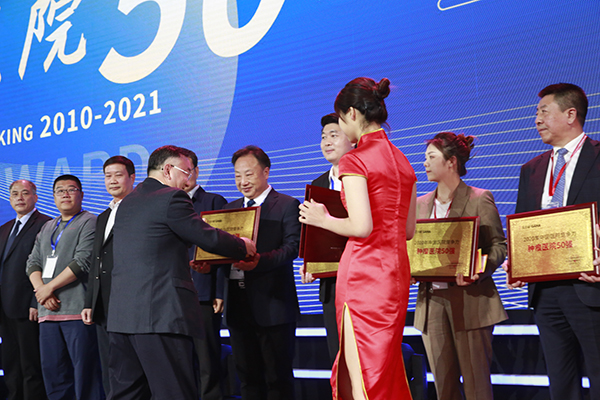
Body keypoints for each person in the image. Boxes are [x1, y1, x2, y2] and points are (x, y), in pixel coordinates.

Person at [106, 145, 256, 400]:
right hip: (160, 315)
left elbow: (154, 248)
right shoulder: (171, 197)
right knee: (174, 392)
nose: (188, 180)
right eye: (186, 172)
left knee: (127, 394)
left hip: (122, 318)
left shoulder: (127, 202)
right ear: (167, 169)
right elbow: (206, 236)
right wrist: (243, 245)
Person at [299, 77, 417, 400]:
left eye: (340, 119)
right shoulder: (403, 161)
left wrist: (322, 219)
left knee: (362, 374)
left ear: (351, 113)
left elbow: (362, 227)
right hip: (395, 276)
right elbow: (408, 230)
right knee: (384, 371)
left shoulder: (355, 159)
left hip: (363, 275)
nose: (340, 126)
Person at [505, 83, 600, 399]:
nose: (537, 119)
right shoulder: (530, 170)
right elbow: (523, 225)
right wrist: (517, 262)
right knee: (560, 382)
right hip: (545, 293)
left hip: (590, 287)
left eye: (544, 112)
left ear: (571, 114)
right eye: (537, 113)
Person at [413, 132, 507, 400]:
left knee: (477, 386)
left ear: (451, 161)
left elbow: (498, 246)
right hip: (431, 302)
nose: (425, 163)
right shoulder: (419, 205)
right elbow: (412, 248)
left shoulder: (479, 198)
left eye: (431, 157)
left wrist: (478, 268)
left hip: (471, 300)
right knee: (444, 387)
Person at [222, 145, 301, 400]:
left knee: (278, 378)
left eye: (249, 174)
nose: (243, 181)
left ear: (266, 172)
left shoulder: (287, 205)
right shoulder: (229, 210)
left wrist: (259, 262)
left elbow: (292, 247)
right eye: (237, 175)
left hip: (273, 305)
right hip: (238, 304)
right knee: (247, 378)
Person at [26, 174, 104, 400]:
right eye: (60, 191)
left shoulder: (90, 221)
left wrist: (48, 289)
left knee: (85, 374)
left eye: (71, 189)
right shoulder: (47, 226)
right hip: (47, 313)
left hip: (77, 312)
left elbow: (83, 261)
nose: (65, 194)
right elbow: (32, 263)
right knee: (54, 374)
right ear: (53, 197)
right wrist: (42, 291)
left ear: (81, 194)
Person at [299, 113, 353, 364]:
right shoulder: (318, 184)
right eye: (323, 137)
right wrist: (310, 261)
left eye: (334, 135)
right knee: (337, 355)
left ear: (352, 138)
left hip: (361, 277)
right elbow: (313, 231)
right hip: (330, 284)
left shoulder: (365, 177)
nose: (326, 142)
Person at [81, 156, 136, 395]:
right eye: (107, 176)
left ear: (132, 177)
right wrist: (90, 302)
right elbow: (96, 260)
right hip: (104, 304)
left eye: (118, 175)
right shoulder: (103, 216)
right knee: (110, 366)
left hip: (131, 302)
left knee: (131, 368)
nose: (112, 180)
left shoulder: (139, 210)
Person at [182, 148, 228, 400]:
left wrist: (219, 290)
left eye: (188, 170)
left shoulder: (213, 201)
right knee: (181, 358)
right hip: (174, 293)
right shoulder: (168, 204)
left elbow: (222, 250)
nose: (184, 176)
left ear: (197, 171)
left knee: (207, 357)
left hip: (203, 292)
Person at [0, 180, 50, 400]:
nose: (19, 198)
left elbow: (46, 267)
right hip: (5, 308)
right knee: (10, 362)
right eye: (14, 194)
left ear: (35, 197)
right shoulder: (4, 228)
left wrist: (35, 301)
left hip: (28, 307)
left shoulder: (46, 224)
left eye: (25, 193)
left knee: (31, 364)